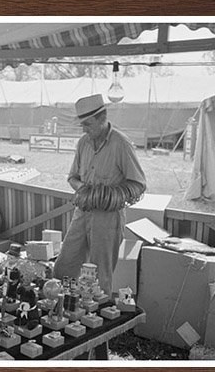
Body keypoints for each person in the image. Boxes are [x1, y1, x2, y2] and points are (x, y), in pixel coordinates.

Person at [52, 93, 147, 294]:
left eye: (88, 124)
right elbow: (72, 177)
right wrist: (85, 190)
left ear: (102, 118)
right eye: (82, 125)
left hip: (108, 220)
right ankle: (63, 301)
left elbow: (138, 184)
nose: (84, 129)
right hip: (82, 213)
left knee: (99, 276)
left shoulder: (121, 144)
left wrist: (109, 196)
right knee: (65, 265)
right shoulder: (83, 143)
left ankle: (97, 311)